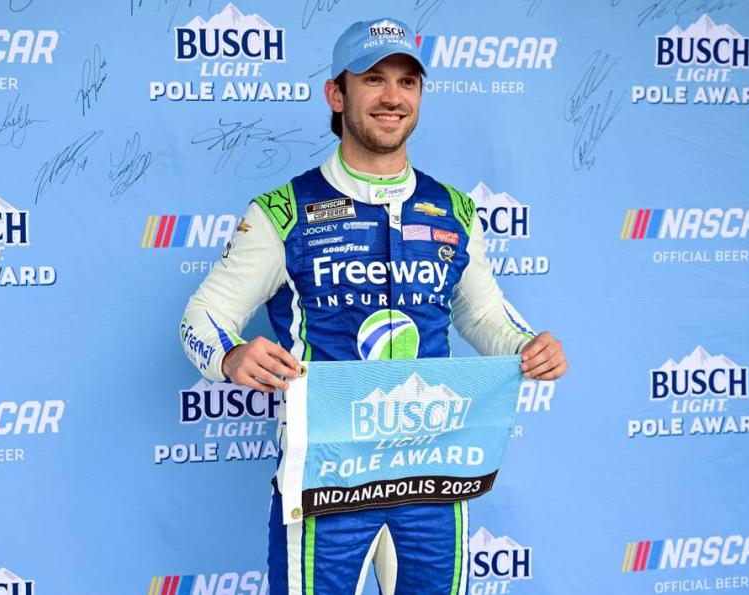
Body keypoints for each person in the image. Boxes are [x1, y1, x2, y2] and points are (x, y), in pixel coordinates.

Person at [180, 16, 568, 595]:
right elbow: (201, 320)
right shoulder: (283, 211)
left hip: (433, 470)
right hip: (328, 475)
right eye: (373, 78)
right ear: (338, 94)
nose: (392, 97)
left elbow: (484, 315)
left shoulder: (454, 210)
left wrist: (528, 346)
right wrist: (232, 356)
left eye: (408, 82)